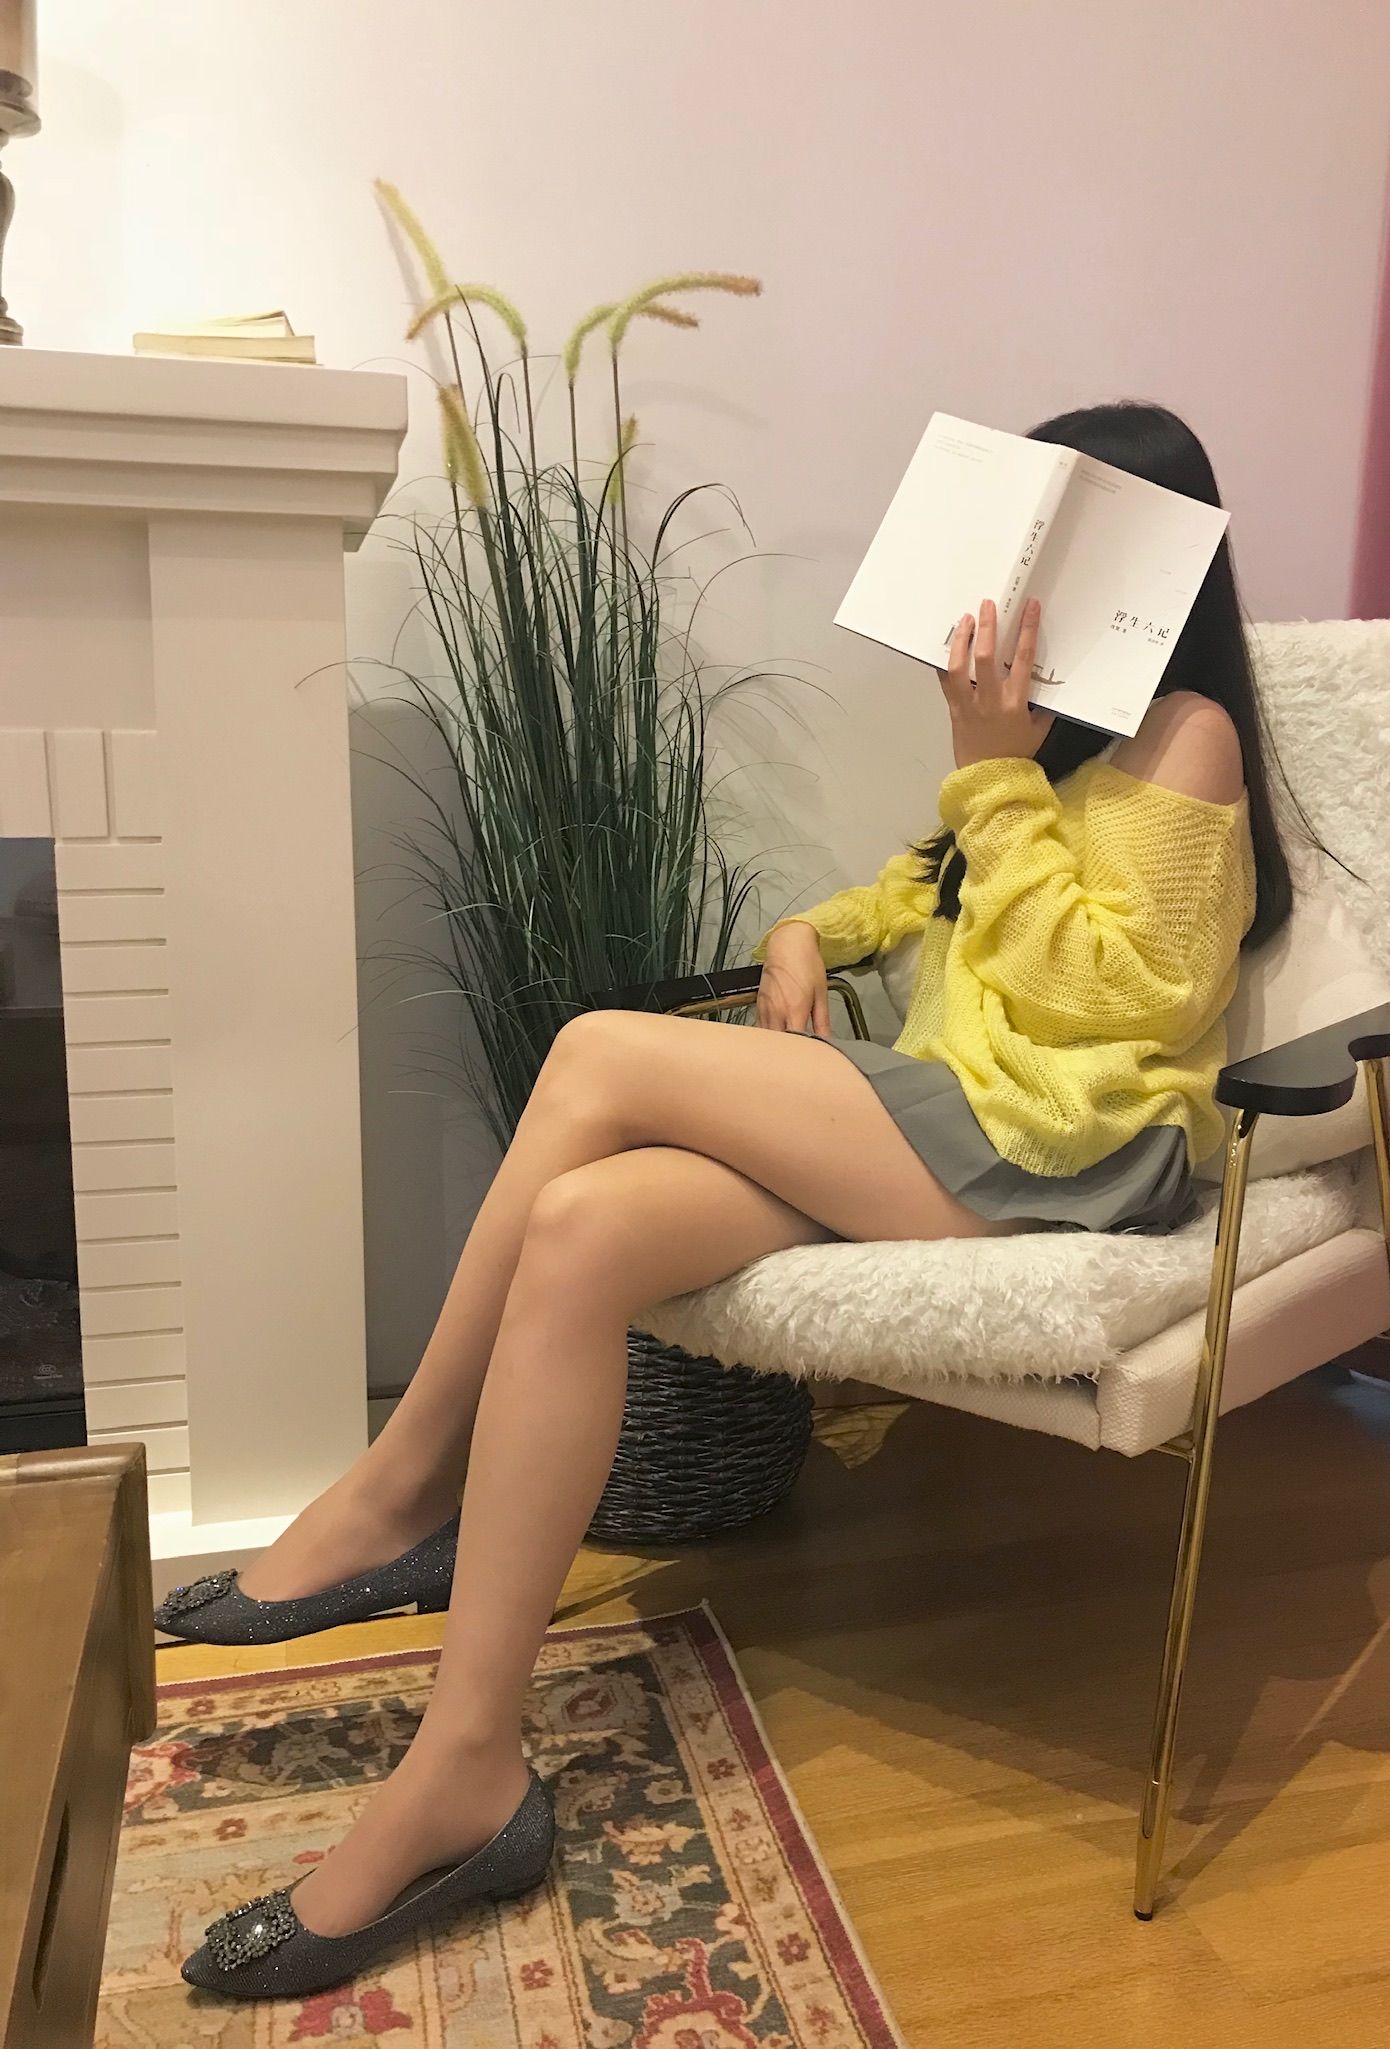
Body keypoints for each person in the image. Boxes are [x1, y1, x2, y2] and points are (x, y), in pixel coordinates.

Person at [161, 400, 1293, 1997]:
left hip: (1066, 1154)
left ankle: (404, 1482)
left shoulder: (1187, 734)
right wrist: (802, 933)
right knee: (583, 1230)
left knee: (595, 1055)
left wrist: (989, 773)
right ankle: (466, 1763)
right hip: (951, 1132)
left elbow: (1123, 990)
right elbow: (910, 892)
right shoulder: (1056, 749)